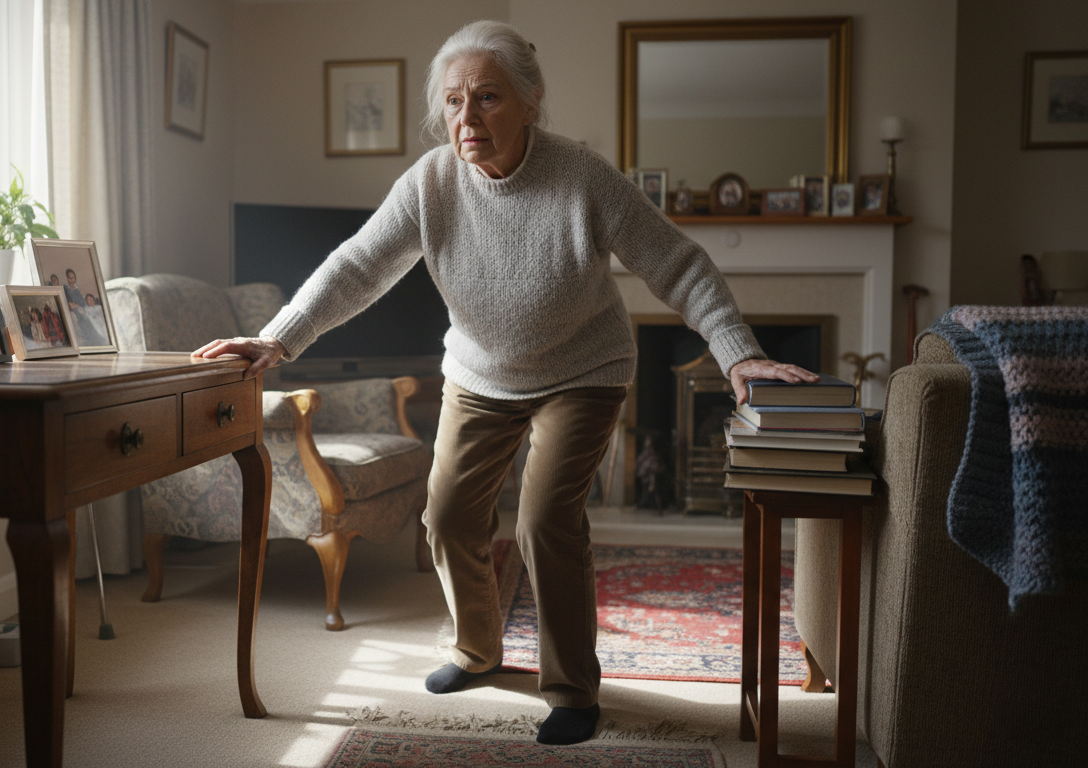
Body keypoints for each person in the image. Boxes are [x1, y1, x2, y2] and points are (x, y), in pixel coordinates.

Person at [193, 20, 815, 746]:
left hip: (584, 371)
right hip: (481, 374)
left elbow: (677, 263)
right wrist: (279, 337)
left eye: (487, 97)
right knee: (449, 514)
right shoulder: (431, 183)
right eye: (454, 101)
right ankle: (476, 647)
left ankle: (573, 688)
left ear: (529, 100)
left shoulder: (583, 177)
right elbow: (357, 267)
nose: (467, 117)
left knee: (546, 516)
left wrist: (738, 355)